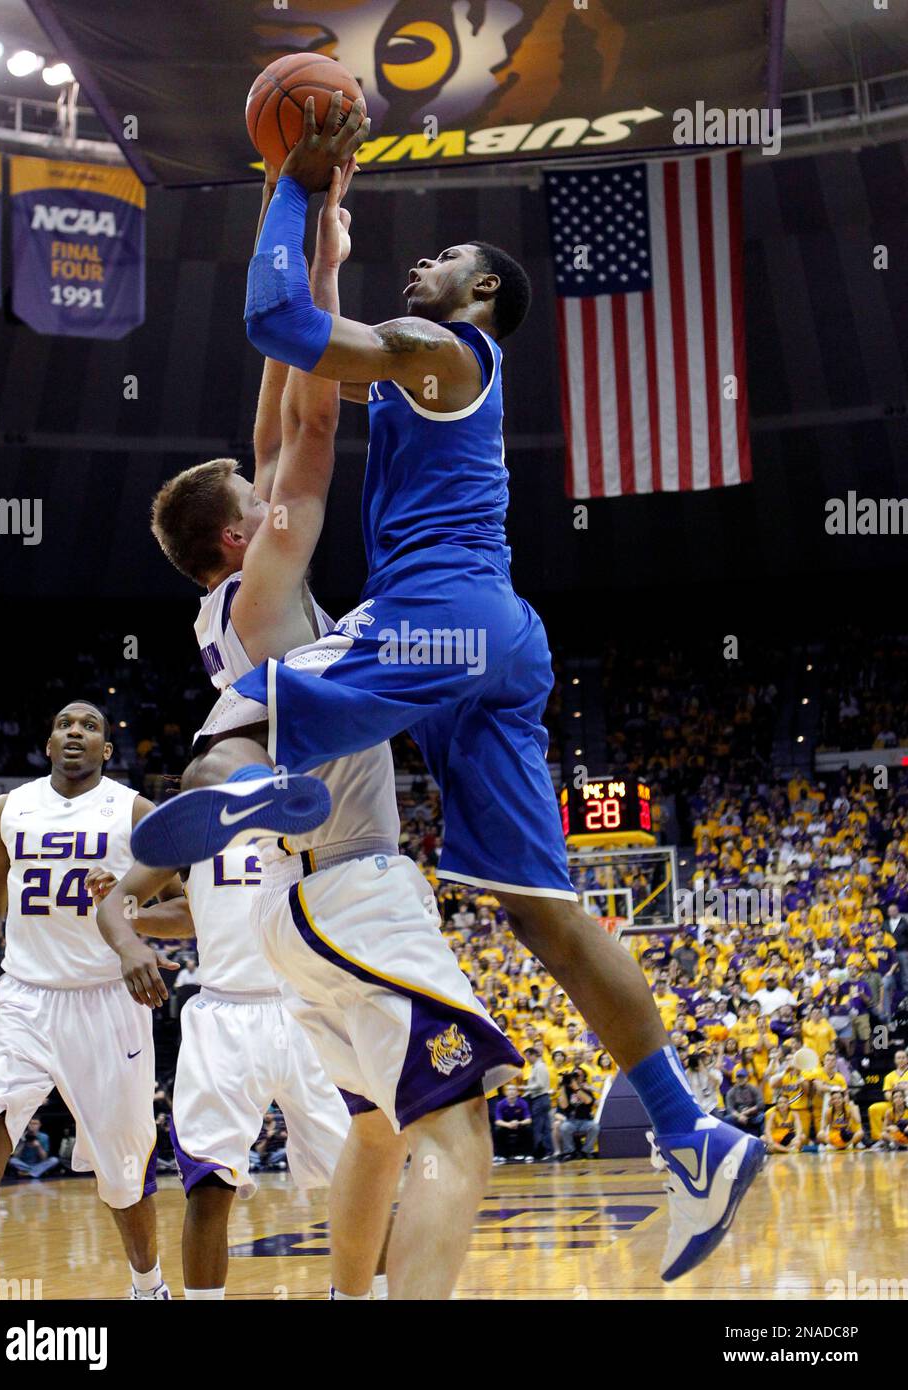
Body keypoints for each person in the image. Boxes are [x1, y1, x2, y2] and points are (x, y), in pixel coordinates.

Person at [133, 93, 764, 1284]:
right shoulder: (418, 372)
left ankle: (256, 789)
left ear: (481, 297)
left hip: (440, 624)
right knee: (538, 906)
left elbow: (282, 331)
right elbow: (295, 394)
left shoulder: (442, 352)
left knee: (260, 703)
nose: (427, 260)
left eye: (449, 257)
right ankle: (688, 1128)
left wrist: (293, 183)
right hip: (491, 645)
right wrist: (320, 222)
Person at [140, 166, 522, 1301]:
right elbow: (305, 423)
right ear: (234, 539)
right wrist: (302, 211)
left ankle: (353, 1302)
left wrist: (325, 256)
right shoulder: (267, 581)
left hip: (281, 930)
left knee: (374, 1130)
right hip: (353, 886)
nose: (273, 497)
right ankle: (254, 770)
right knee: (459, 1138)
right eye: (253, 504)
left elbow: (277, 416)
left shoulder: (230, 605)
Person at [0, 702, 178, 1299]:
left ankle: (148, 1284)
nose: (75, 732)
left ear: (108, 750)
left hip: (107, 1001)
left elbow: (184, 906)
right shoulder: (9, 808)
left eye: (91, 727)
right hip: (23, 998)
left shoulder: (137, 812)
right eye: (64, 724)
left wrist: (135, 928)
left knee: (125, 1175)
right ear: (48, 742)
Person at [95, 844, 367, 1302]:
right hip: (225, 1010)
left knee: (362, 1176)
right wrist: (135, 915)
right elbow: (193, 912)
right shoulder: (192, 825)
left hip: (309, 1007)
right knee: (210, 1184)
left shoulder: (305, 806)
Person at [520, 1045, 553, 1159]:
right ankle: (548, 1151)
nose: (527, 1059)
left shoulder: (539, 1067)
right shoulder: (536, 1067)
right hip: (541, 1098)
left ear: (533, 1055)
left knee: (539, 1127)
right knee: (545, 1126)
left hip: (540, 1099)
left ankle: (539, 1152)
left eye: (528, 1056)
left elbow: (540, 1085)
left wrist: (525, 1088)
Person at [493, 1084, 533, 1163]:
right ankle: (500, 1155)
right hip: (506, 1125)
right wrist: (508, 1125)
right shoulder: (500, 1104)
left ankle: (527, 1154)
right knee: (497, 1130)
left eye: (513, 1089)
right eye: (509, 1090)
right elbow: (497, 1121)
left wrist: (519, 1123)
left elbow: (528, 1119)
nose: (511, 1092)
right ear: (506, 1093)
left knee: (529, 1129)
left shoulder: (523, 1103)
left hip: (519, 1124)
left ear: (517, 1093)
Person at [724, 1068, 765, 1136]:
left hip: (752, 1115)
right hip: (738, 1116)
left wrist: (747, 1112)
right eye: (739, 1078)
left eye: (743, 1077)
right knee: (726, 1119)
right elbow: (729, 1108)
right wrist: (739, 1116)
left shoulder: (753, 1088)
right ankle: (732, 1138)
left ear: (747, 1078)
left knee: (762, 1116)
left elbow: (761, 1104)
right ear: (736, 1079)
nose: (741, 1079)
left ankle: (763, 1138)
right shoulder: (731, 1091)